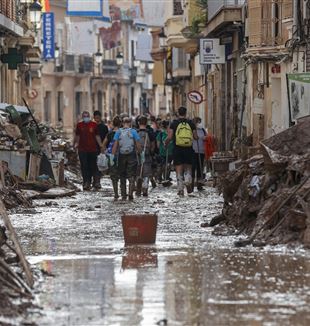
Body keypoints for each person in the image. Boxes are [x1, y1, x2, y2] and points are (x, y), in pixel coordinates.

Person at [165, 106, 197, 196]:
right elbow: (195, 137)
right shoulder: (191, 123)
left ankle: (180, 189)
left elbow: (170, 137)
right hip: (188, 148)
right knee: (188, 167)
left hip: (177, 148)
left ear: (178, 113)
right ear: (186, 113)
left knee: (179, 169)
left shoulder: (174, 123)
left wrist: (165, 143)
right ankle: (187, 179)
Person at [112, 117, 141, 200]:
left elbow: (115, 145)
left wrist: (112, 155)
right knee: (131, 174)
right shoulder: (133, 131)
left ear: (122, 123)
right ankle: (131, 193)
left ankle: (124, 195)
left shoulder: (118, 132)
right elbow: (138, 144)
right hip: (131, 154)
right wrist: (141, 153)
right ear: (130, 123)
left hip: (121, 155)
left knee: (122, 175)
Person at [74, 111, 103, 191]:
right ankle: (86, 182)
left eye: (87, 116)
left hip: (93, 149)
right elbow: (77, 136)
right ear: (82, 117)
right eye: (84, 116)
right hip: (82, 149)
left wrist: (100, 145)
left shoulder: (94, 125)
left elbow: (97, 136)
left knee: (93, 166)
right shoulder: (79, 125)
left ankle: (96, 182)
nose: (86, 117)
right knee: (84, 166)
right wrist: (76, 143)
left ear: (89, 117)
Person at [102, 116, 121, 200]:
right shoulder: (122, 132)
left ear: (113, 124)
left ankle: (116, 193)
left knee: (113, 175)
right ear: (120, 124)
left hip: (111, 156)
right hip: (122, 155)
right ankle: (124, 192)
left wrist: (105, 152)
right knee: (122, 174)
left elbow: (103, 145)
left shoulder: (109, 134)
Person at [136, 115, 156, 197]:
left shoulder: (135, 132)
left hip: (137, 154)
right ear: (146, 123)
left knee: (138, 172)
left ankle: (138, 188)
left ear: (138, 123)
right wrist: (151, 152)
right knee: (146, 172)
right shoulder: (150, 132)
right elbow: (153, 145)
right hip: (147, 153)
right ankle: (145, 188)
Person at [93, 111, 109, 189]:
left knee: (99, 165)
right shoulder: (92, 126)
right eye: (96, 118)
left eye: (98, 118)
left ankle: (97, 181)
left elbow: (107, 137)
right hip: (92, 148)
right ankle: (95, 181)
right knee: (93, 165)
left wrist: (104, 147)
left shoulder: (104, 127)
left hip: (101, 148)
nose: (97, 120)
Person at [192, 117, 207, 191]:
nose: (199, 123)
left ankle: (199, 184)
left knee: (200, 168)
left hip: (201, 151)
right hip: (193, 151)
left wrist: (205, 138)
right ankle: (191, 184)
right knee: (193, 167)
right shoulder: (191, 130)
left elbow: (206, 137)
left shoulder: (202, 130)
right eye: (197, 122)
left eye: (199, 122)